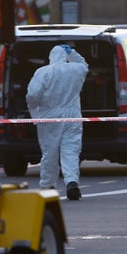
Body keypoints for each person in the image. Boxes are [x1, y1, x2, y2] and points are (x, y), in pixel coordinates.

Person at [26, 44, 88, 200]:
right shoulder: (75, 69)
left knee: (50, 152)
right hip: (72, 115)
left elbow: (32, 95)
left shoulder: (43, 72)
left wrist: (35, 113)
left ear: (50, 57)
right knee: (71, 151)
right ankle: (72, 182)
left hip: (49, 115)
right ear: (65, 56)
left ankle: (48, 185)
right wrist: (73, 53)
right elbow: (84, 66)